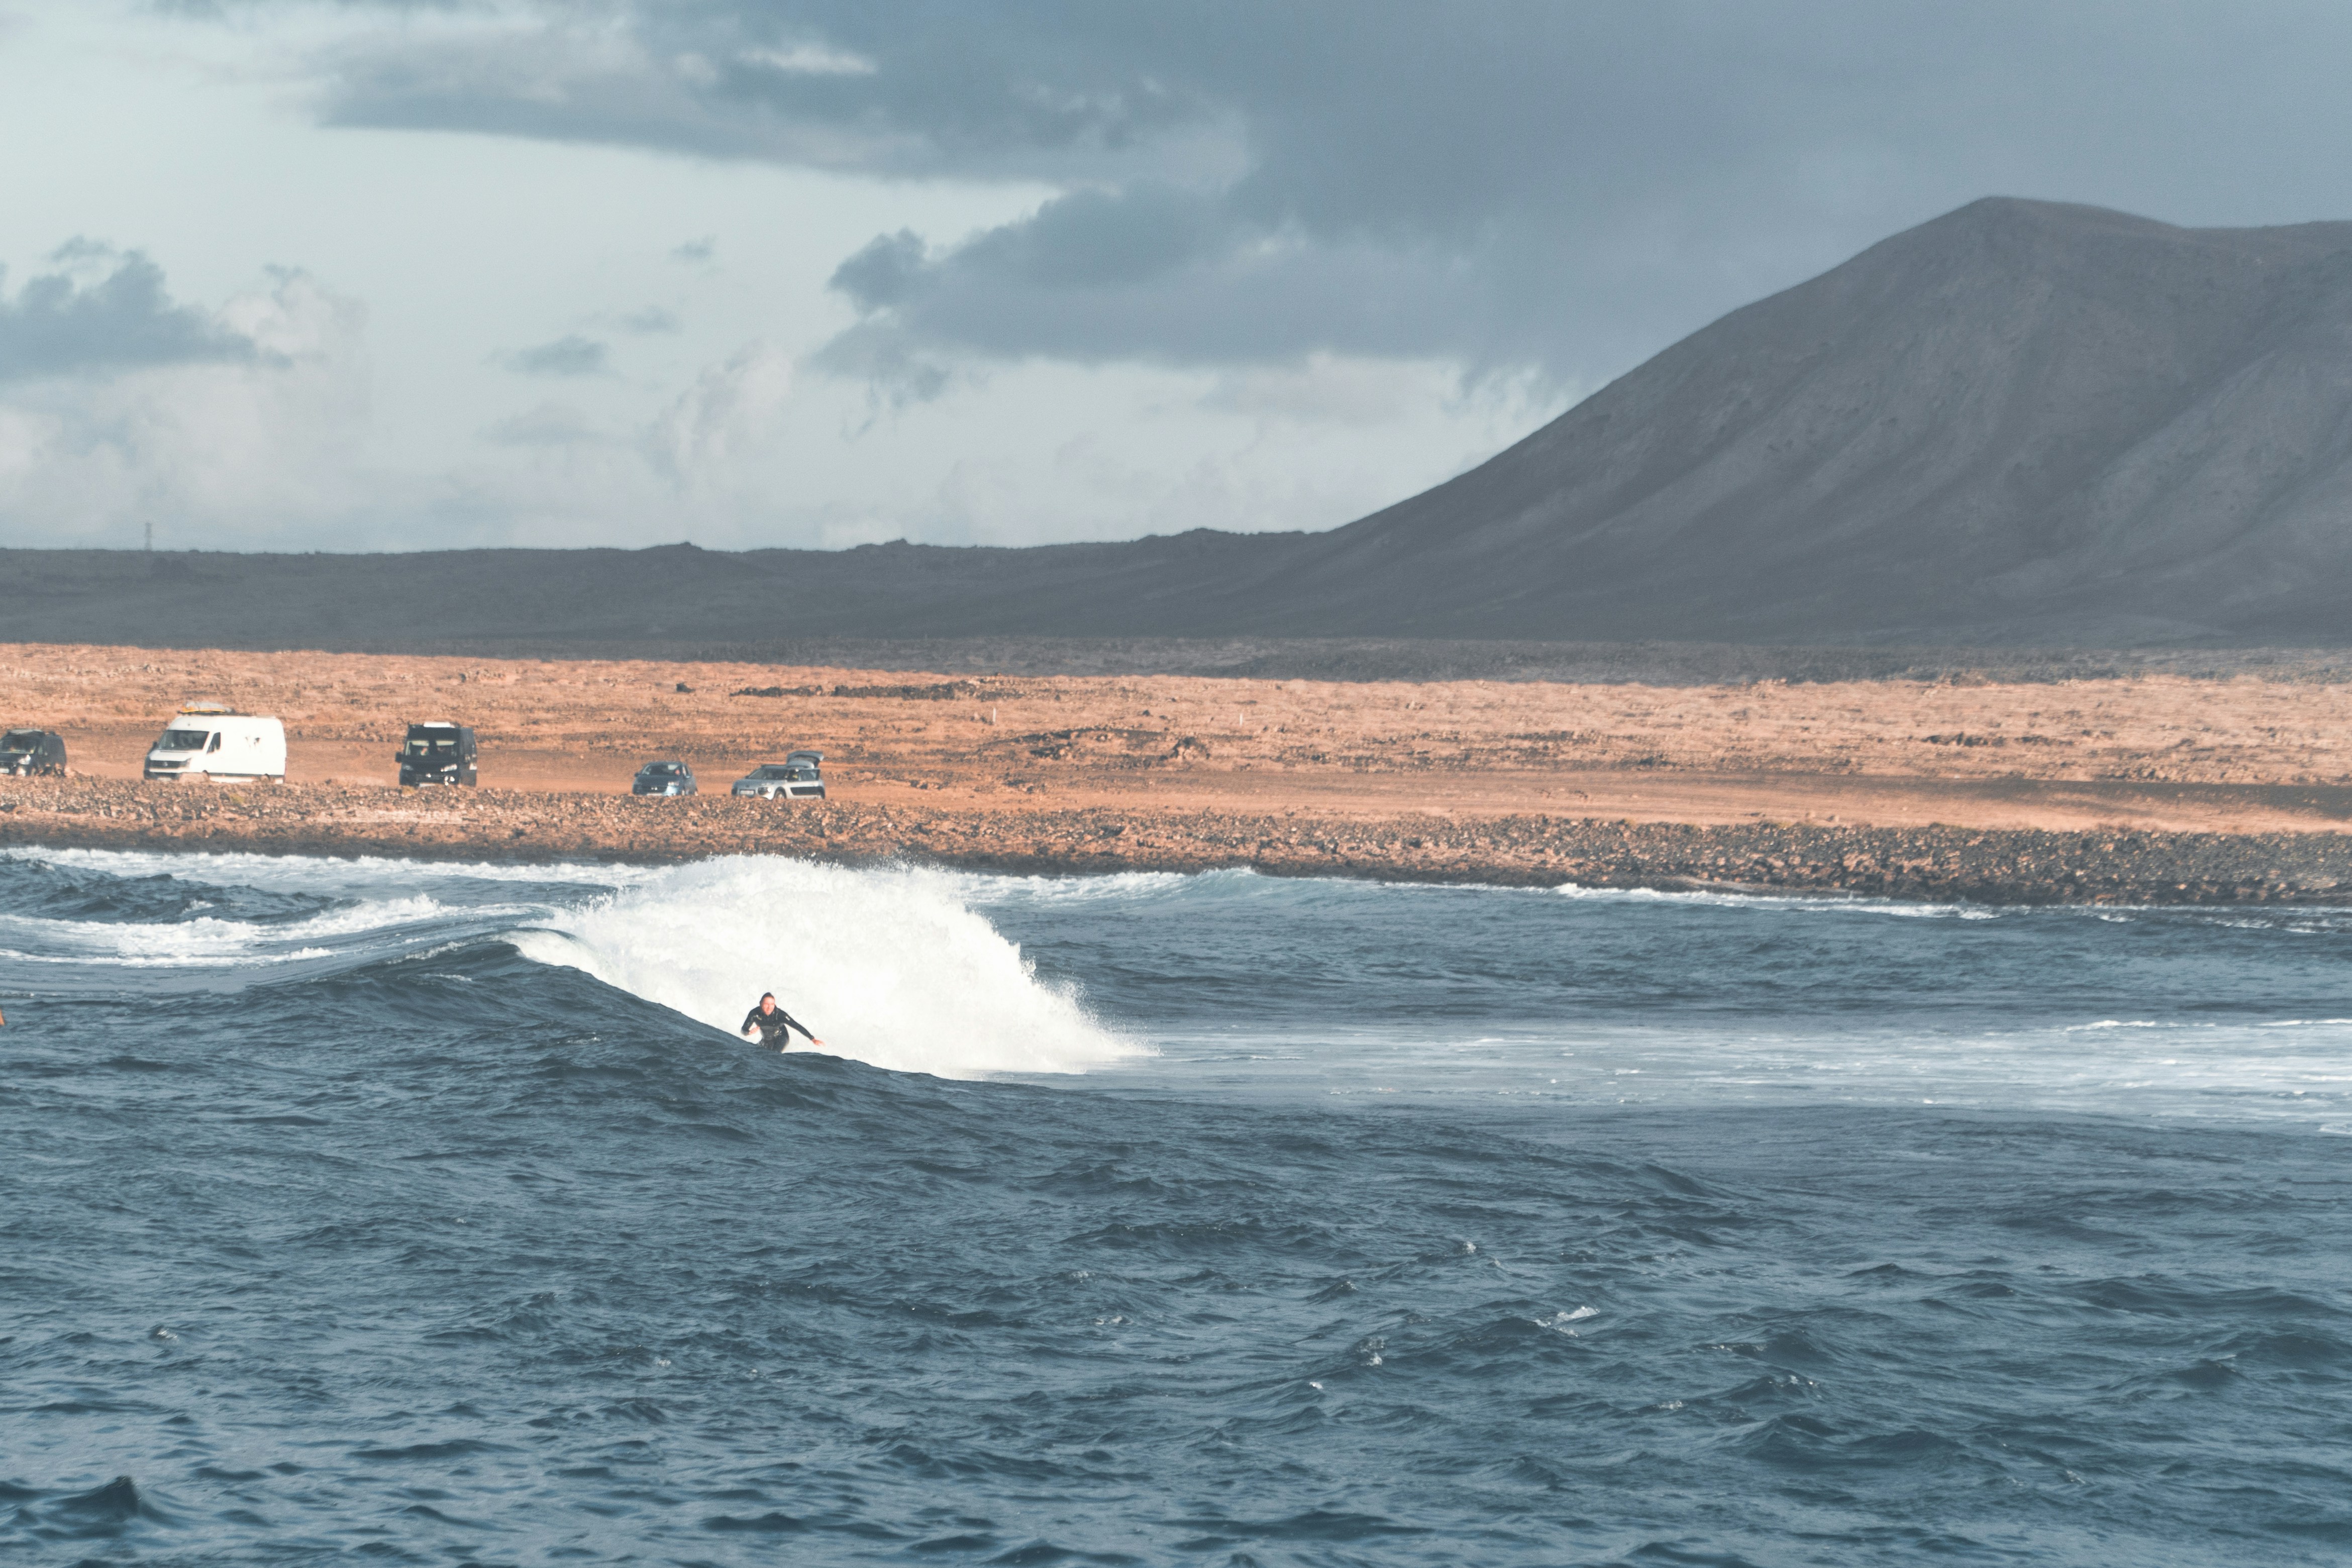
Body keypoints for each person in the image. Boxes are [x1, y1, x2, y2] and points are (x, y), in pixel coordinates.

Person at [741, 992, 821, 1051]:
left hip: (782, 1038)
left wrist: (812, 1039)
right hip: (766, 1039)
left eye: (772, 1004)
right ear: (761, 1004)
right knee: (754, 1052)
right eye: (766, 1004)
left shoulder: (780, 1015)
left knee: (774, 1054)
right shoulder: (754, 1014)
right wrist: (749, 1032)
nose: (769, 1007)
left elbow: (797, 1026)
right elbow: (743, 1029)